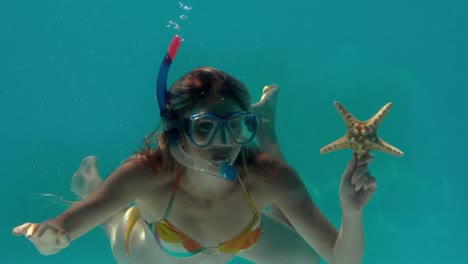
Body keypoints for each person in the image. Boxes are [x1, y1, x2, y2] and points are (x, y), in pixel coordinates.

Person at [13, 38, 377, 264]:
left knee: (304, 260)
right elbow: (62, 231)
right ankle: (92, 184)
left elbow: (342, 261)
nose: (225, 143)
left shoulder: (267, 175)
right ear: (177, 130)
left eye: (237, 126)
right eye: (205, 127)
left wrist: (351, 212)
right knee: (113, 225)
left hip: (240, 238)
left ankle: (264, 128)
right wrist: (49, 239)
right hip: (155, 257)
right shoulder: (148, 174)